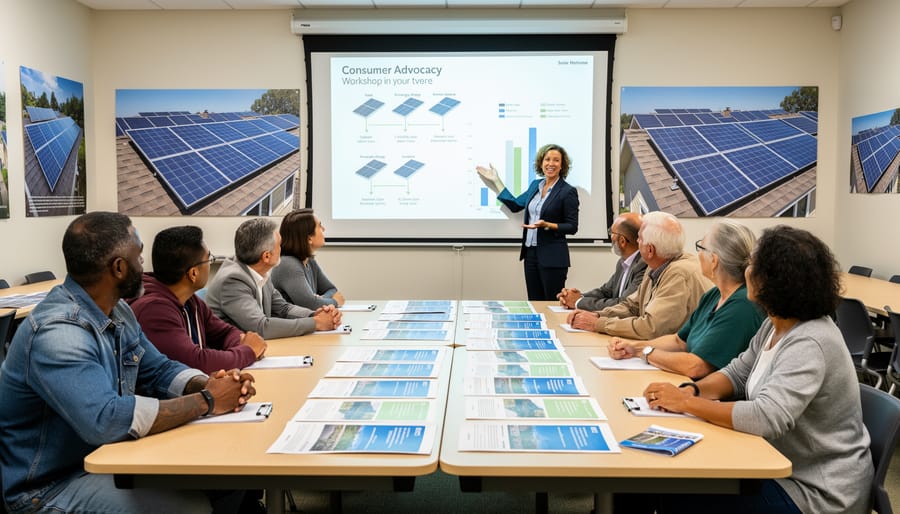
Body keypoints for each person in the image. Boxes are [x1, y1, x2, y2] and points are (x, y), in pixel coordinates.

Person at [0, 212, 256, 514]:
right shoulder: (58, 334)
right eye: (139, 255)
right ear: (119, 268)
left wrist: (206, 382)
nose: (144, 265)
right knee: (192, 508)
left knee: (227, 478)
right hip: (49, 487)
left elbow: (158, 368)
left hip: (109, 455)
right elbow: (107, 419)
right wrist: (208, 400)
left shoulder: (117, 310)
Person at [621, 226, 873, 514]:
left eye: (753, 265)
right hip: (775, 464)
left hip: (815, 491)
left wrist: (688, 403)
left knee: (672, 492)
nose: (746, 270)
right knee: (658, 483)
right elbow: (738, 373)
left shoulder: (810, 341)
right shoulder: (775, 323)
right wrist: (692, 390)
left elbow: (766, 417)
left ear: (775, 280)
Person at [606, 220, 764, 379]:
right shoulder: (714, 295)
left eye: (701, 248)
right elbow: (679, 341)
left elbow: (696, 366)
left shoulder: (741, 305)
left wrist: (645, 352)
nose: (698, 254)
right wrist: (633, 347)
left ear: (714, 260)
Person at [130, 225, 267, 373]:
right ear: (193, 274)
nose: (210, 263)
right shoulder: (154, 310)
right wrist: (247, 351)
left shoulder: (189, 299)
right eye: (209, 259)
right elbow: (196, 363)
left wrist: (242, 344)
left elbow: (224, 333)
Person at [568, 211, 710, 340]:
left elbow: (651, 328)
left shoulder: (678, 274)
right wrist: (598, 315)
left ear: (650, 250)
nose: (636, 242)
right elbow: (632, 306)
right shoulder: (658, 264)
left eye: (640, 239)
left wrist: (599, 324)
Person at [205, 217, 342, 339]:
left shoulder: (258, 270)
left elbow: (283, 308)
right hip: (231, 356)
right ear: (266, 256)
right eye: (279, 245)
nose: (282, 249)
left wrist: (314, 315)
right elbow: (261, 327)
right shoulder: (233, 280)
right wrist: (316, 323)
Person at [476, 143, 579, 301]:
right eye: (547, 159)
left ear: (562, 165)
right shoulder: (535, 185)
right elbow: (516, 205)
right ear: (541, 162)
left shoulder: (567, 191)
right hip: (531, 254)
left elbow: (572, 226)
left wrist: (547, 225)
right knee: (534, 302)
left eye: (556, 160)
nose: (551, 163)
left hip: (553, 257)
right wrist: (496, 181)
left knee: (551, 303)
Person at [557, 212, 647, 310]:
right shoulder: (623, 263)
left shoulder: (644, 265)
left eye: (611, 233)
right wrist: (576, 297)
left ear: (622, 241)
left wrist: (578, 302)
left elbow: (623, 304)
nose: (610, 237)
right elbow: (606, 292)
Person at [271, 209, 345, 310]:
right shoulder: (288, 264)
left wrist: (321, 299)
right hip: (291, 324)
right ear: (309, 238)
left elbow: (331, 289)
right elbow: (310, 304)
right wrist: (335, 301)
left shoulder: (309, 261)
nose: (324, 229)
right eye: (319, 226)